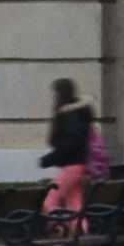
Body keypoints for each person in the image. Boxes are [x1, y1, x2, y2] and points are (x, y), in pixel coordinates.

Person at [41, 77, 100, 217]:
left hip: (72, 166)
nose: (54, 98)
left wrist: (47, 160)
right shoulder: (79, 114)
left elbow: (69, 144)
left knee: (49, 202)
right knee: (75, 205)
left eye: (55, 94)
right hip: (79, 165)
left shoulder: (70, 116)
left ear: (61, 94)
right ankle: (81, 233)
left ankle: (60, 232)